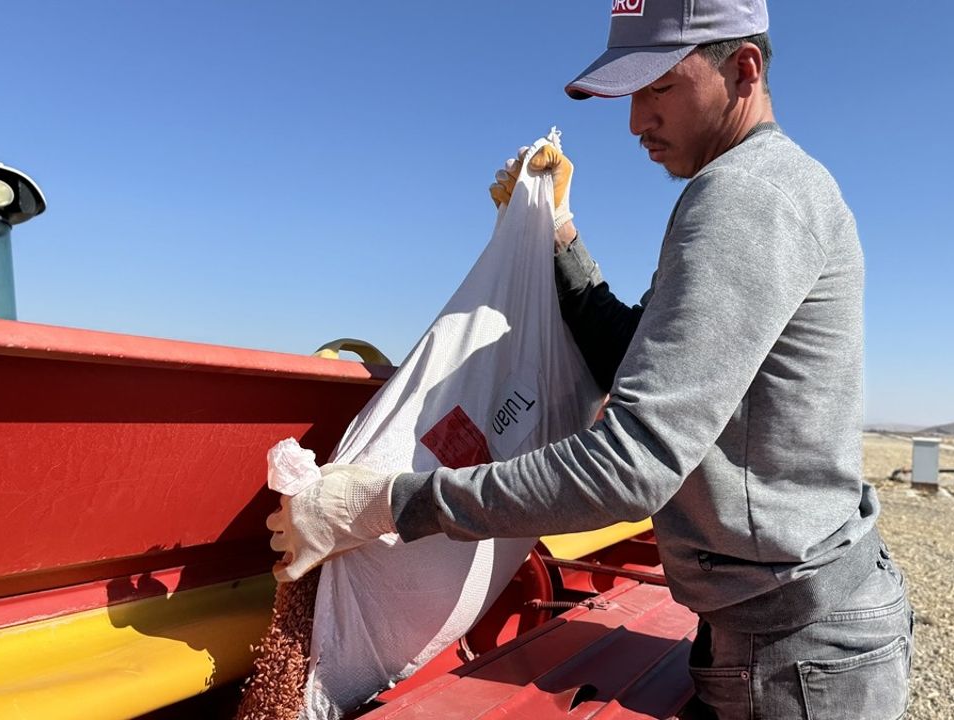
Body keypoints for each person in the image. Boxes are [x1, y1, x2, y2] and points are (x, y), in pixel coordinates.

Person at [267, 1, 913, 716]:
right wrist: (559, 236)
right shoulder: (764, 188)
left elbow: (630, 465)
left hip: (794, 659)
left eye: (658, 87)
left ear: (744, 69)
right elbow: (637, 359)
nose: (636, 121)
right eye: (631, 94)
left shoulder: (744, 196)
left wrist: (388, 503)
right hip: (782, 634)